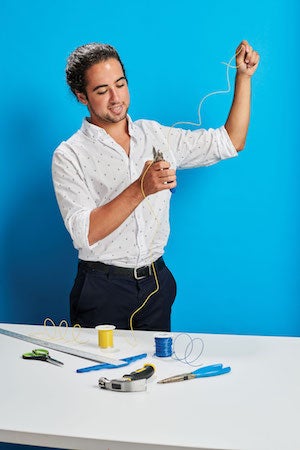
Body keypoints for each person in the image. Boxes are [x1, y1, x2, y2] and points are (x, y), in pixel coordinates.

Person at [52, 40, 259, 331]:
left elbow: (231, 141)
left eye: (120, 84)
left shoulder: (155, 135)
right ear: (81, 96)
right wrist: (141, 188)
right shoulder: (69, 155)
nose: (116, 98)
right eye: (102, 90)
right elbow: (84, 233)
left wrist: (243, 78)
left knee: (154, 372)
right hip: (102, 290)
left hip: (155, 284)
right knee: (98, 375)